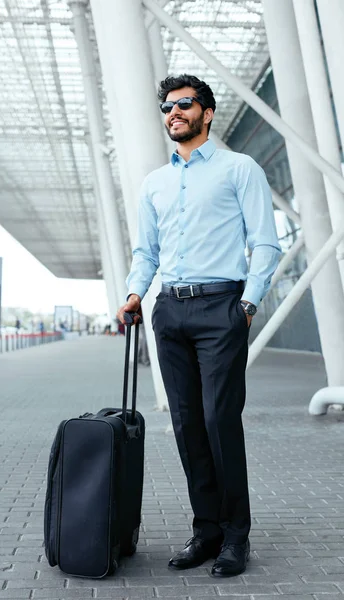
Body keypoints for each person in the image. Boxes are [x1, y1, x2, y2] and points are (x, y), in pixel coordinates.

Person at [117, 74, 281, 577]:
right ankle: (206, 531)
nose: (174, 113)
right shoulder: (154, 183)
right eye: (167, 107)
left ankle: (236, 536)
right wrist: (133, 295)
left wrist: (246, 307)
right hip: (170, 311)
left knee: (218, 423)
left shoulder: (240, 169)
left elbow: (267, 243)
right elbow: (146, 252)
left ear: (206, 113)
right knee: (188, 426)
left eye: (184, 104)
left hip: (221, 310)